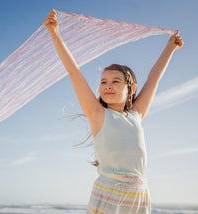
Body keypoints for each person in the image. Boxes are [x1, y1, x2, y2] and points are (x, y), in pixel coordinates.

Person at [44, 10, 183, 214]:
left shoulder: (136, 115)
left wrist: (170, 48)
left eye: (116, 81)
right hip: (110, 193)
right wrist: (55, 34)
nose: (107, 86)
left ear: (131, 88)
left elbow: (154, 78)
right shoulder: (98, 114)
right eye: (103, 82)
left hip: (138, 194)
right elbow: (74, 72)